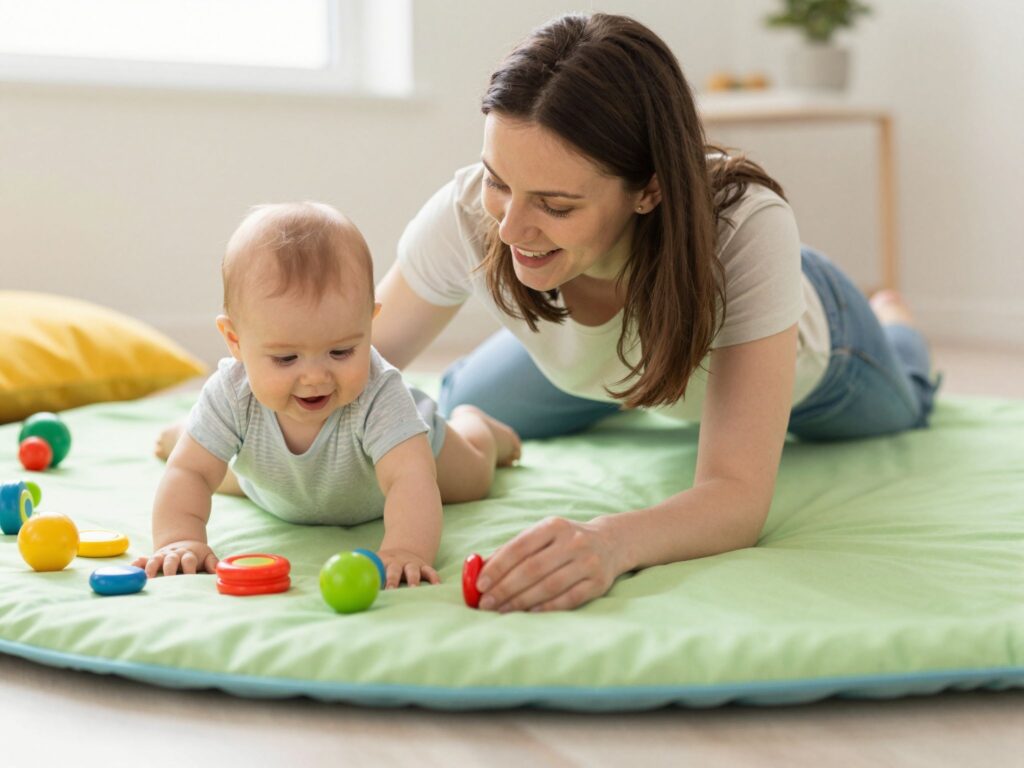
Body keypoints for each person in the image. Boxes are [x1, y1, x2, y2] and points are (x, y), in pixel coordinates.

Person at [370, 13, 940, 612]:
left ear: (650, 189)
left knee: (908, 403)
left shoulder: (746, 227)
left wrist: (609, 542)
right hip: (616, 367)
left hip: (820, 344)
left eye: (556, 205)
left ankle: (896, 319)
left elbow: (736, 495)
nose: (509, 227)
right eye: (498, 181)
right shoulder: (469, 214)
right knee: (462, 398)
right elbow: (353, 363)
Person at [136, 202, 520, 587]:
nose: (316, 377)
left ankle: (477, 426)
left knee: (473, 479)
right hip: (275, 483)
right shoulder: (232, 394)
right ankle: (190, 433)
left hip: (406, 456)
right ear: (235, 342)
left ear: (369, 324)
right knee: (205, 463)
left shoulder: (378, 394)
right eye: (286, 358)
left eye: (341, 352)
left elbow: (410, 480)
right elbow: (191, 473)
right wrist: (179, 540)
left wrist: (406, 549)